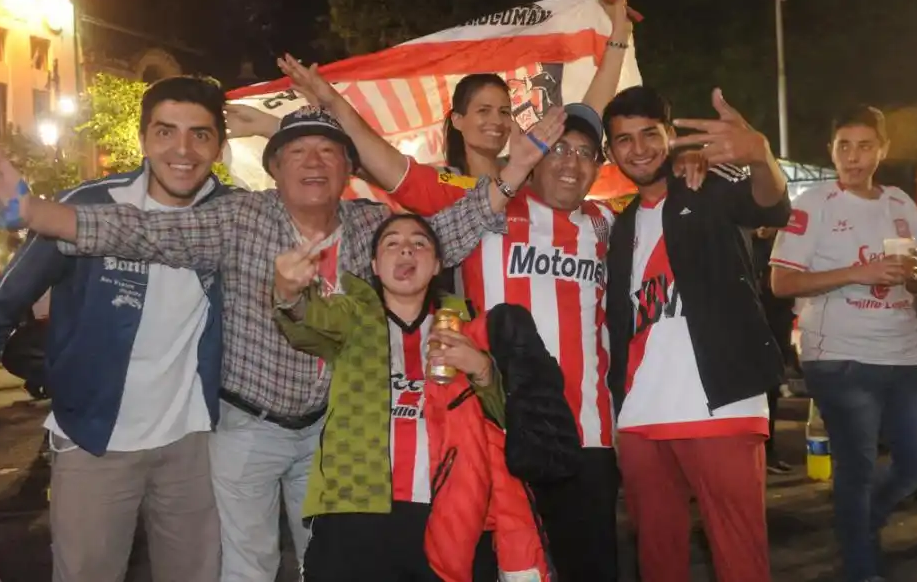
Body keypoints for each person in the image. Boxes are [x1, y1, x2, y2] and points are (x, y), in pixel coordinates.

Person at [0, 99, 561, 581]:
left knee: (324, 561)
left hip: (333, 432)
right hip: (246, 428)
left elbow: (447, 232)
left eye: (329, 151)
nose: (314, 162)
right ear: (273, 168)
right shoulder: (242, 218)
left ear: (348, 171)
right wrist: (30, 212)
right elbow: (136, 231)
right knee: (248, 567)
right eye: (296, 151)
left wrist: (513, 169)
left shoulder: (370, 226)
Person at [261, 48, 708, 581]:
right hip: (500, 427)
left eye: (585, 153)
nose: (570, 161)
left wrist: (680, 162)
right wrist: (329, 100)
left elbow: (645, 175)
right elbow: (387, 163)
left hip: (588, 437)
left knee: (590, 568)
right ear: (534, 154)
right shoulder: (482, 205)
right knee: (505, 568)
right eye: (557, 148)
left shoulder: (605, 223)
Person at [0, 76, 231, 582]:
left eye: (201, 134)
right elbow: (0, 306)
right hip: (94, 439)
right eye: (166, 131)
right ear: (144, 138)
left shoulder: (234, 214)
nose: (183, 150)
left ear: (221, 143)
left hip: (195, 444)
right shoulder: (88, 204)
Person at [274, 213, 548, 582]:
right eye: (392, 243)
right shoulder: (351, 320)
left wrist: (482, 368)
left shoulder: (470, 327)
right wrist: (289, 291)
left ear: (436, 265)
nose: (406, 248)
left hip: (452, 513)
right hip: (355, 510)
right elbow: (307, 321)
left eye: (420, 243)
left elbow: (504, 424)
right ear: (374, 265)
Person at [602, 85, 790, 582]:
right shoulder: (617, 229)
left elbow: (770, 207)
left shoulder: (707, 189)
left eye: (649, 134)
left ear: (670, 138)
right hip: (641, 417)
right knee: (658, 562)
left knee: (740, 559)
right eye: (623, 140)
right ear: (610, 151)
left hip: (723, 405)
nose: (638, 148)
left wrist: (763, 156)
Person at [771, 105, 917, 582]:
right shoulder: (812, 204)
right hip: (840, 356)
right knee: (856, 469)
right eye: (844, 146)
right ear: (831, 151)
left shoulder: (900, 202)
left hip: (905, 350)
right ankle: (862, 567)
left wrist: (914, 274)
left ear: (881, 150)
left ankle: (860, 523)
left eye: (864, 146)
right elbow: (780, 282)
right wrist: (858, 273)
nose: (854, 157)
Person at [752, 226, 796, 474]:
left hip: (776, 319)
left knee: (773, 386)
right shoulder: (740, 239)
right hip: (748, 321)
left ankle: (768, 451)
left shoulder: (787, 241)